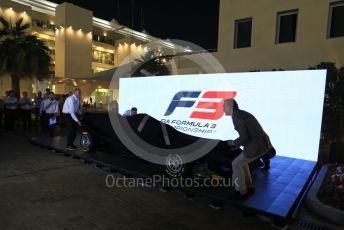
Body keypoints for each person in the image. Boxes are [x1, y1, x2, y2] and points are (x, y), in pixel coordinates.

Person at [224, 99, 273, 198]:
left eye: (224, 107)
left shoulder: (237, 117)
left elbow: (244, 137)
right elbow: (248, 134)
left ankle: (241, 191)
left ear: (230, 107)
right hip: (261, 144)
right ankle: (248, 186)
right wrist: (237, 144)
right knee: (242, 163)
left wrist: (233, 142)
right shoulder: (241, 113)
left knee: (236, 164)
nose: (222, 109)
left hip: (257, 146)